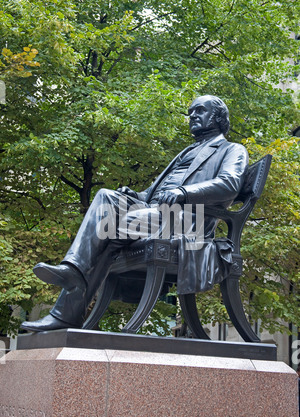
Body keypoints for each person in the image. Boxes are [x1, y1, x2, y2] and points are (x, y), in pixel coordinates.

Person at [21, 94, 249, 332]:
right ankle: (72, 276)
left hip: (189, 223)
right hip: (157, 214)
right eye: (190, 111)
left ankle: (70, 293)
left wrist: (184, 192)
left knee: (111, 226)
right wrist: (135, 195)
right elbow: (151, 194)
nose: (192, 115)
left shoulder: (232, 150)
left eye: (200, 110)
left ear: (218, 116)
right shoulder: (186, 152)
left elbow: (229, 184)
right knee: (106, 197)